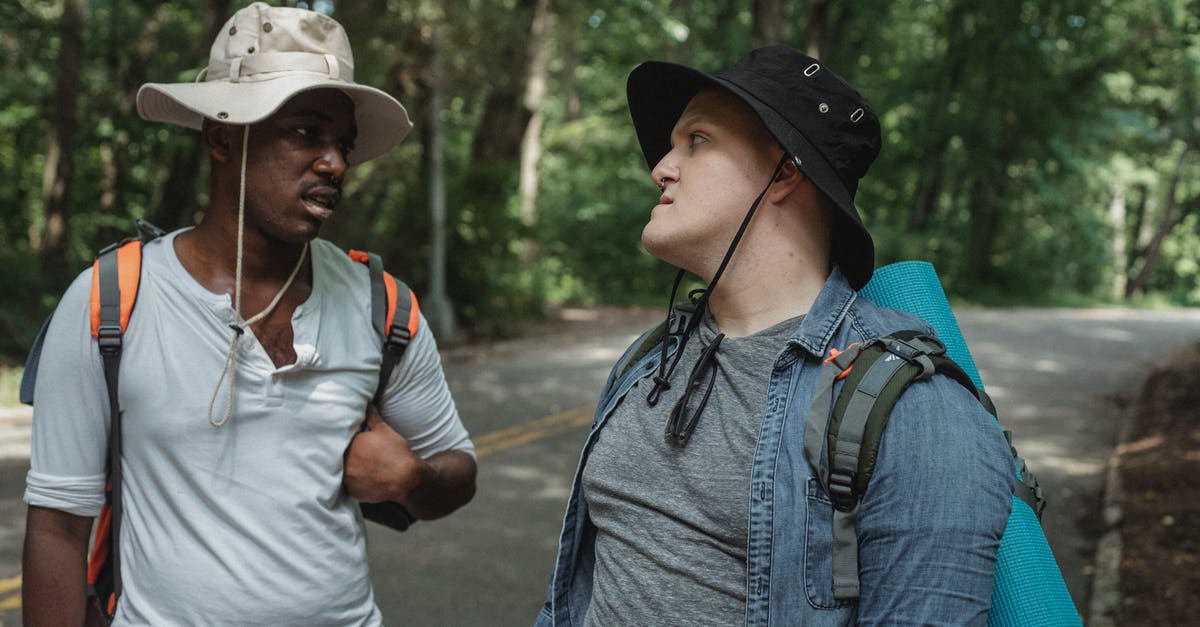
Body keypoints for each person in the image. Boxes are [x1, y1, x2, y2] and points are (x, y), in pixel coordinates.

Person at [22, 3, 476, 625]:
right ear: (222, 135)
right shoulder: (113, 298)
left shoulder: (381, 304)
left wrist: (413, 480)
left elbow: (458, 470)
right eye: (304, 132)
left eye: (342, 144)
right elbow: (57, 525)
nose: (335, 164)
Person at [536, 46, 1013, 625]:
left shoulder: (915, 408)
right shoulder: (649, 359)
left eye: (698, 140)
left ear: (786, 171)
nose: (661, 166)